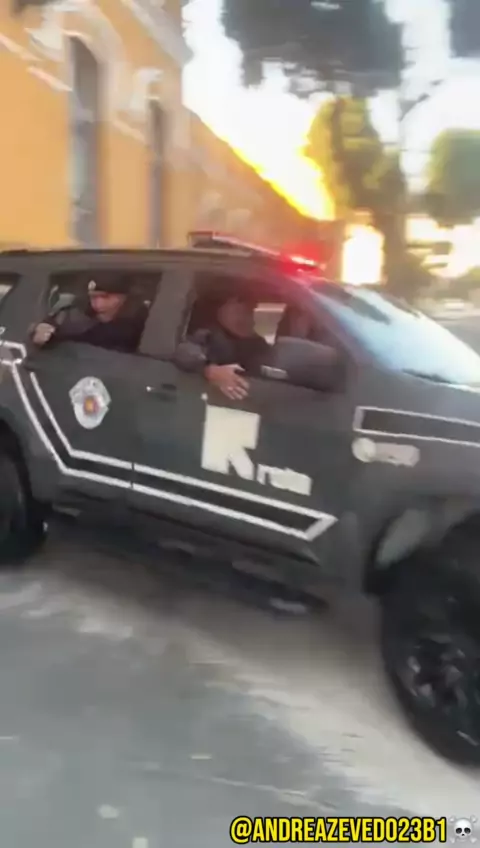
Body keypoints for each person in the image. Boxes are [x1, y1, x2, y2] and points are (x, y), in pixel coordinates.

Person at [175, 293, 271, 400]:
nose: (246, 318)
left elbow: (272, 369)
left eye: (249, 312)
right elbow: (184, 352)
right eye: (238, 311)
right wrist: (211, 371)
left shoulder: (258, 344)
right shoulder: (208, 335)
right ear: (221, 311)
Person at [30, 275, 148, 354]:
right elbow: (49, 330)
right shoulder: (75, 315)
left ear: (123, 297)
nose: (97, 304)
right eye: (93, 297)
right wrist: (41, 332)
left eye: (105, 297)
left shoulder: (145, 323)